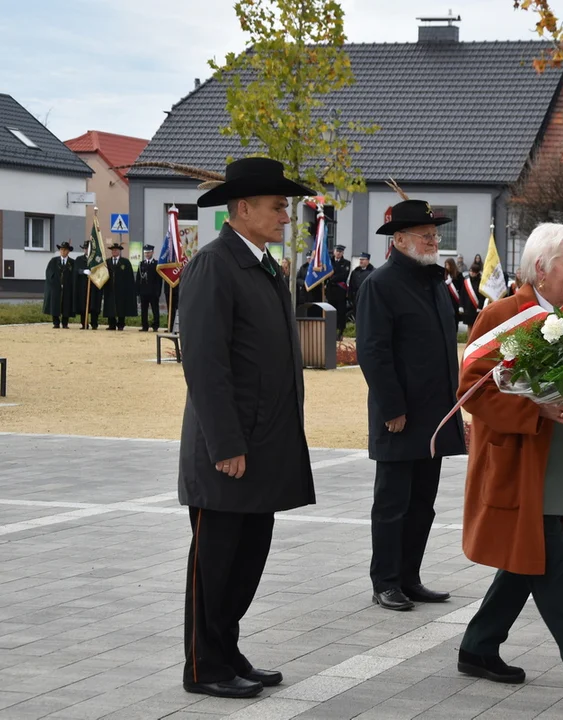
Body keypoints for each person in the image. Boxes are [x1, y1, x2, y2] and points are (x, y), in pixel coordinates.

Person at [457, 222, 563, 709]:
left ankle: (477, 647)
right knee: (550, 568)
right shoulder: (504, 316)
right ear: (541, 268)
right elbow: (474, 389)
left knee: (525, 559)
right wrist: (536, 409)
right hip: (521, 465)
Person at [179, 157, 317, 699]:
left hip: (265, 445)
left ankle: (227, 650)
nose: (287, 215)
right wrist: (226, 444)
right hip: (230, 450)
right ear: (242, 209)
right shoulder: (214, 265)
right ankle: (203, 666)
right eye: (278, 206)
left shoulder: (262, 264)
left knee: (246, 561)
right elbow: (206, 363)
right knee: (215, 565)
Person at [356, 197, 466, 611]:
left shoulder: (434, 281)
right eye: (426, 235)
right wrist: (392, 408)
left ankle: (409, 576)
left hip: (435, 414)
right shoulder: (380, 285)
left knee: (422, 503)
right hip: (401, 416)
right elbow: (373, 351)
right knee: (392, 504)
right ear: (400, 239)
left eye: (435, 235)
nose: (434, 241)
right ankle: (385, 581)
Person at [102, 242, 137, 331]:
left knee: (121, 307)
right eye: (113, 250)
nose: (114, 251)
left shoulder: (125, 262)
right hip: (110, 289)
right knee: (110, 306)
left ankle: (121, 324)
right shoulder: (107, 262)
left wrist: (129, 289)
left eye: (116, 250)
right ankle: (111, 324)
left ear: (119, 251)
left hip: (122, 289)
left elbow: (129, 277)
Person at [44, 241, 76, 329]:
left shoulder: (72, 263)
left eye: (65, 250)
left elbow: (74, 275)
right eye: (61, 249)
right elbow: (49, 273)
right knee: (55, 304)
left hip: (67, 288)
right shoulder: (53, 261)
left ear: (68, 251)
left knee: (66, 305)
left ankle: (65, 323)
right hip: (56, 288)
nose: (62, 251)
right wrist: (54, 283)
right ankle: (56, 322)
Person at [73, 240, 102, 330]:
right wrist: (83, 271)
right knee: (83, 305)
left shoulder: (96, 259)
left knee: (94, 304)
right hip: (82, 287)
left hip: (94, 286)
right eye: (85, 249)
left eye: (87, 249)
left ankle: (94, 323)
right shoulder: (79, 259)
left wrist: (93, 271)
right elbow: (76, 270)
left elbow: (100, 270)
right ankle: (84, 323)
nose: (86, 250)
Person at [136, 244, 163, 332]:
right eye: (146, 253)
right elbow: (138, 279)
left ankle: (155, 325)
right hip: (144, 292)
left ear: (152, 252)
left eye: (149, 252)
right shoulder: (141, 264)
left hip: (153, 292)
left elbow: (159, 280)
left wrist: (158, 292)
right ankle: (145, 326)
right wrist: (138, 291)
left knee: (155, 309)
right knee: (144, 310)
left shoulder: (156, 264)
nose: (147, 254)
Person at [327, 245, 351, 341]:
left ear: (343, 253)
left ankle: (340, 331)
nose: (339, 253)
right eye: (337, 251)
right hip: (330, 291)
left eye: (341, 252)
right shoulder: (328, 262)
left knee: (341, 313)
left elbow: (344, 276)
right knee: (331, 312)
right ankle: (331, 331)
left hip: (340, 292)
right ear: (334, 251)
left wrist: (332, 278)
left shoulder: (346, 263)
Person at [461, 262, 484, 332]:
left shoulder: (480, 282)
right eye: (471, 271)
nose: (471, 273)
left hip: (476, 308)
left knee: (476, 327)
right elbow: (462, 294)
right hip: (468, 308)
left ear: (477, 273)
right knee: (469, 326)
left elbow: (481, 296)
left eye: (473, 271)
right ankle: (469, 341)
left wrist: (480, 307)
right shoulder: (466, 281)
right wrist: (461, 306)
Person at [443, 258, 464, 327]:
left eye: (448, 265)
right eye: (445, 265)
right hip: (447, 301)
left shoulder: (458, 275)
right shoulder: (444, 275)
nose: (446, 267)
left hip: (455, 301)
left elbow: (462, 289)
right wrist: (445, 283)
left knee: (455, 321)